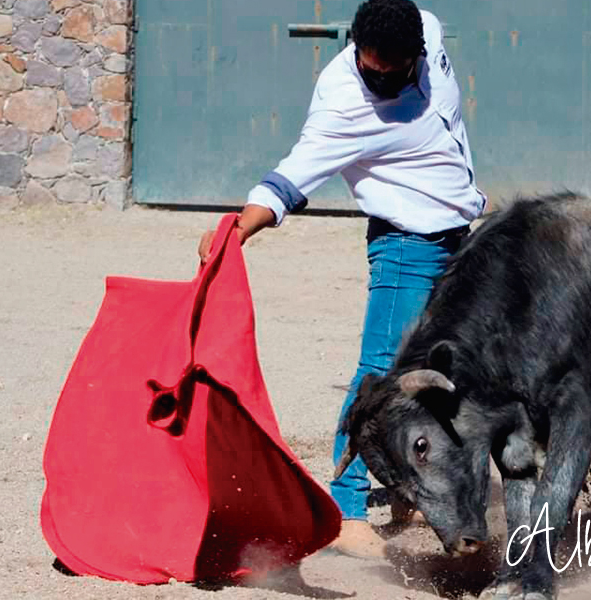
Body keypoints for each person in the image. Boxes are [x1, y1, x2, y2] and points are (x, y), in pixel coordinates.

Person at [198, 0, 486, 559]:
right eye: (368, 66)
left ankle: (409, 485)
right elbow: (291, 176)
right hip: (406, 244)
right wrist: (239, 228)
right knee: (379, 371)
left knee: (444, 370)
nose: (375, 77)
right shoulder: (343, 106)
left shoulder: (423, 28)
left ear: (417, 55)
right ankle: (347, 508)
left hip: (458, 238)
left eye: (390, 70)